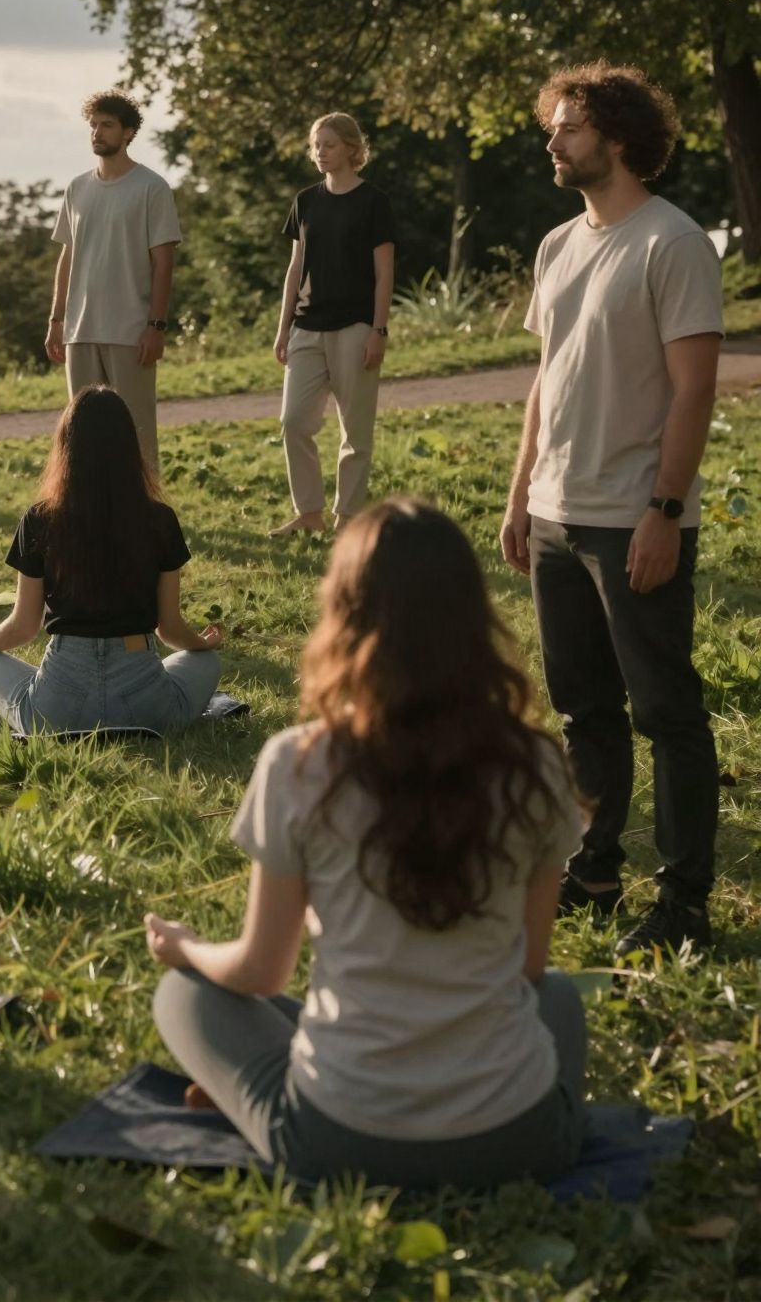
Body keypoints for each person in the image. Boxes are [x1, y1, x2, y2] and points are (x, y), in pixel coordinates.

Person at [146, 500, 588, 1192]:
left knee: (184, 995)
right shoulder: (536, 765)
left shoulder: (299, 763)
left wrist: (185, 948)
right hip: (522, 1143)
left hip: (337, 1140)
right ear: (472, 620)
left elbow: (262, 973)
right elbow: (527, 969)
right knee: (560, 997)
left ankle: (249, 1094)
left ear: (345, 617)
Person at [500, 63, 723, 958]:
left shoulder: (672, 243)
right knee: (582, 709)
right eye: (553, 126)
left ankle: (684, 903)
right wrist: (521, 496)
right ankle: (594, 867)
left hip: (635, 518)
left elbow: (694, 391)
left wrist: (665, 509)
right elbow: (544, 386)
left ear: (619, 137)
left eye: (570, 127)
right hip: (555, 514)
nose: (553, 141)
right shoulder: (559, 245)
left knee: (665, 710)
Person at [0, 386, 223, 733]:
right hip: (146, 705)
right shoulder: (160, 520)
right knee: (207, 662)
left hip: (57, 709)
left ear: (66, 445)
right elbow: (169, 629)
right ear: (129, 445)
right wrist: (203, 643)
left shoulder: (40, 519)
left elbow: (23, 627)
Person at [273, 113, 395, 538]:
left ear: (350, 148)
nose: (320, 152)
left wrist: (379, 331)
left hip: (357, 327)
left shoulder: (374, 202)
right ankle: (309, 514)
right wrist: (283, 327)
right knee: (293, 421)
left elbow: (385, 274)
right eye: (315, 144)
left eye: (328, 144)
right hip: (307, 326)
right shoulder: (306, 201)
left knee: (355, 431)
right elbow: (294, 268)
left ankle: (348, 520)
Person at [46, 89, 180, 470]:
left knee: (136, 435)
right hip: (81, 330)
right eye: (93, 125)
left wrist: (156, 325)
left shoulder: (151, 188)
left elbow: (163, 264)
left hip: (131, 332)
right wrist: (57, 320)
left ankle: (146, 517)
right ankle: (86, 514)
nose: (97, 133)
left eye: (107, 125)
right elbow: (67, 258)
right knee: (81, 433)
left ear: (128, 132)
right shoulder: (77, 188)